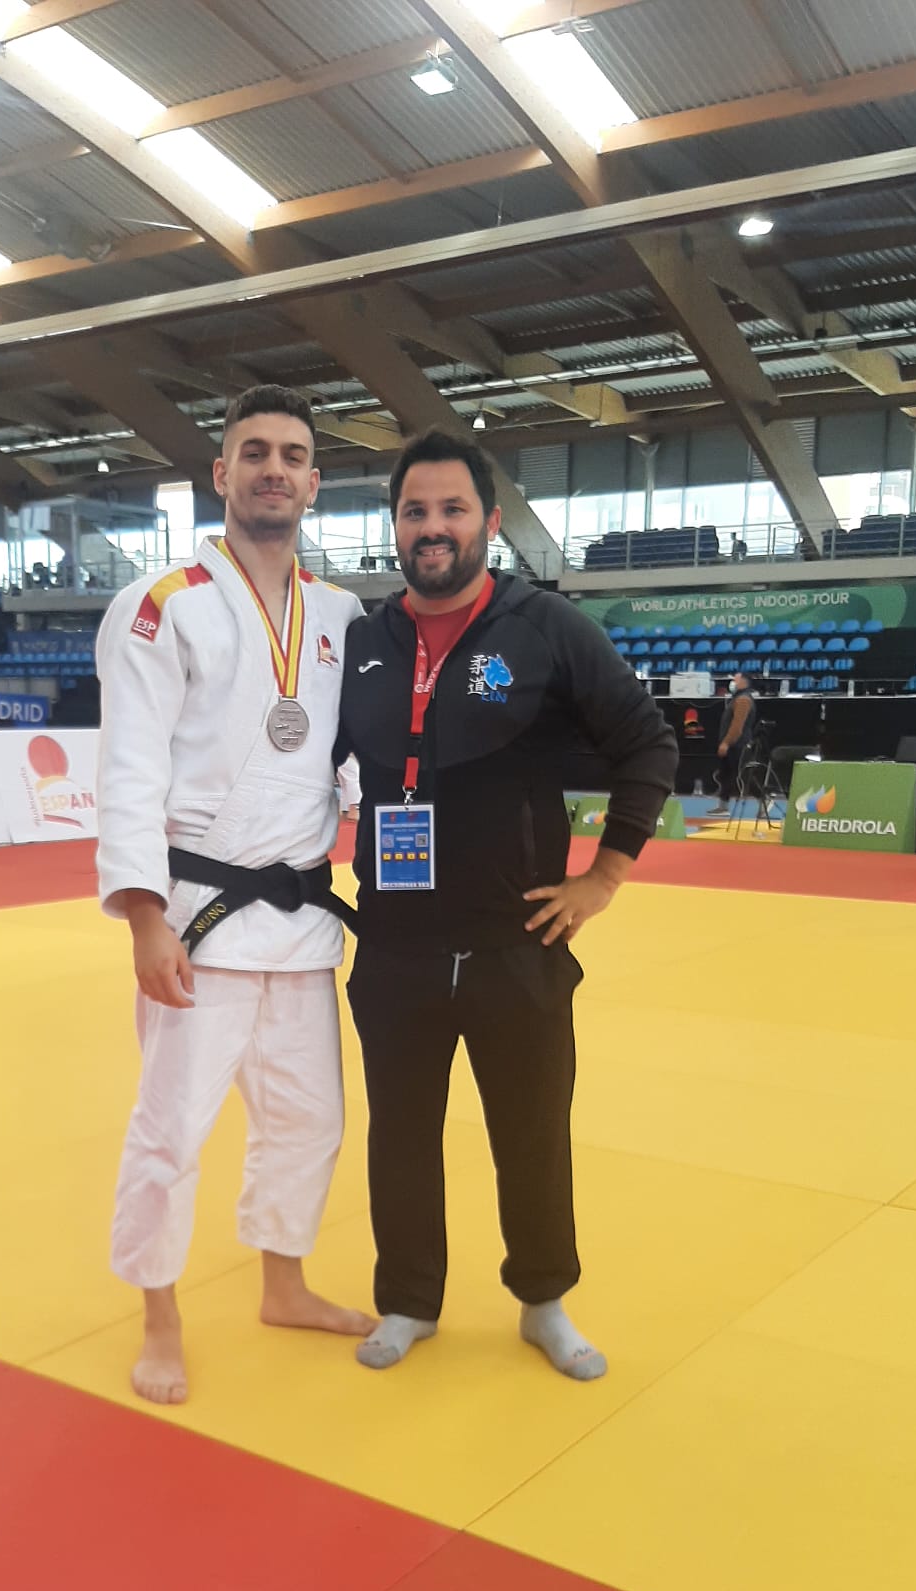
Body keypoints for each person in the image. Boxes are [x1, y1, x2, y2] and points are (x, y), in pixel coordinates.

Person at [337, 429, 677, 1381]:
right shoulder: (362, 643)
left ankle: (543, 1300)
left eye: (452, 509)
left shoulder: (546, 629)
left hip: (516, 943)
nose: (433, 527)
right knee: (400, 1137)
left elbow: (647, 744)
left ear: (488, 522)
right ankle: (408, 1300)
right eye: (415, 511)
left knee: (530, 1137)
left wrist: (603, 877)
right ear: (395, 525)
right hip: (396, 946)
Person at [96, 384, 372, 1405]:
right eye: (254, 452)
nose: (273, 470)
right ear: (222, 474)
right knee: (172, 1129)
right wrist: (143, 915)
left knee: (309, 1121)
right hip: (198, 918)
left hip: (300, 920)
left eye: (292, 456)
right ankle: (159, 1318)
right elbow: (130, 767)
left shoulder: (341, 614)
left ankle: (284, 1285)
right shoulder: (163, 604)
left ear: (314, 482)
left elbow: (347, 758)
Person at [716, 668, 757, 804]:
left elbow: (737, 725)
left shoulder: (743, 700)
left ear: (743, 682)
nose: (733, 682)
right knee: (725, 775)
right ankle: (723, 805)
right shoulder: (737, 698)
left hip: (738, 744)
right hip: (734, 744)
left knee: (744, 776)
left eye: (735, 680)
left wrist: (726, 742)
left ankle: (764, 799)